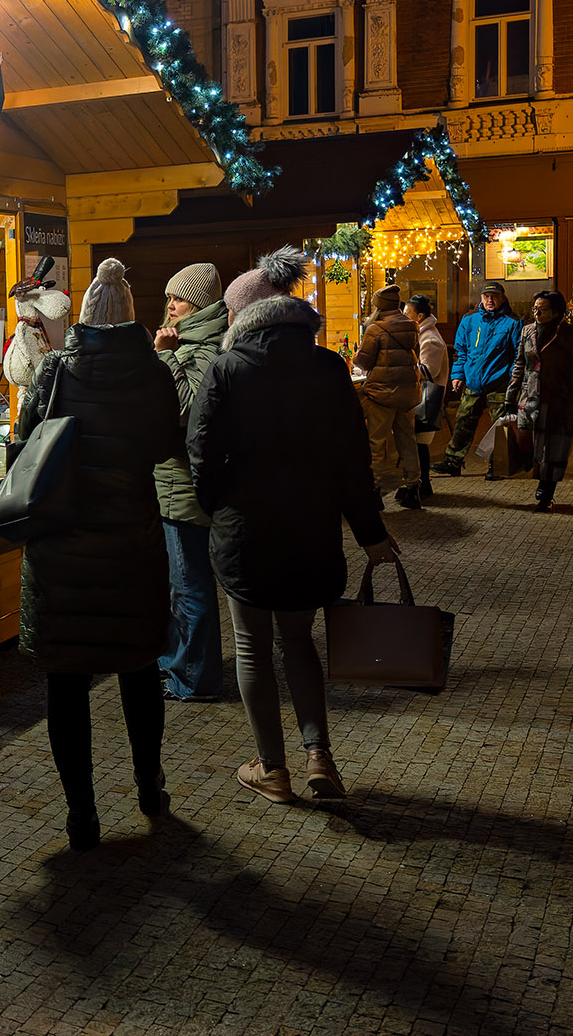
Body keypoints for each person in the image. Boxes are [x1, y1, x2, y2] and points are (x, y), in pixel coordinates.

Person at [188, 247, 395, 805]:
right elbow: (353, 459)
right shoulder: (327, 367)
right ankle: (319, 755)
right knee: (299, 641)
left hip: (245, 530)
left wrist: (215, 508)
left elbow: (201, 452)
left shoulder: (227, 368)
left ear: (244, 314)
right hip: (311, 526)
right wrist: (370, 532)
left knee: (252, 647)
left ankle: (272, 769)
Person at [14, 258, 177, 851]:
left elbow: (24, 446)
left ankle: (80, 813)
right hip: (131, 543)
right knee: (138, 668)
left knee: (66, 679)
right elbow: (166, 446)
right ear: (131, 317)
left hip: (61, 545)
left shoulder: (55, 370)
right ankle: (149, 787)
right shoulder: (154, 374)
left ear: (83, 317)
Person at [151, 261, 226, 703]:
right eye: (169, 297)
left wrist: (163, 355)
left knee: (189, 584)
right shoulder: (189, 339)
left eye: (179, 298)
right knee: (179, 583)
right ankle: (177, 665)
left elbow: (185, 409)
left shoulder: (206, 346)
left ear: (199, 304)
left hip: (184, 485)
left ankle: (195, 680)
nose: (171, 305)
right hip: (173, 482)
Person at [431, 280, 524, 478]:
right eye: (486, 296)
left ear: (502, 298)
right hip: (473, 382)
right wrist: (458, 375)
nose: (490, 300)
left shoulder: (513, 322)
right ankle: (453, 462)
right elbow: (461, 352)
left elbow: (518, 356)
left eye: (494, 296)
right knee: (463, 421)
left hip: (499, 384)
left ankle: (498, 465)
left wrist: (511, 381)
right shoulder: (469, 320)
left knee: (500, 427)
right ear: (481, 298)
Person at [505, 291, 573, 512]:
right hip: (531, 396)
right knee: (530, 442)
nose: (537, 313)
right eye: (535, 308)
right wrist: (511, 394)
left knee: (554, 447)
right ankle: (539, 478)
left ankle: (546, 490)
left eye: (543, 309)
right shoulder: (527, 331)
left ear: (556, 311)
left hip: (560, 397)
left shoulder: (571, 334)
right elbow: (520, 364)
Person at [352, 284, 424, 510]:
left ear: (379, 306)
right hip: (407, 393)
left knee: (376, 443)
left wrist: (355, 357)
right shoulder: (412, 326)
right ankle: (413, 488)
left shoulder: (376, 329)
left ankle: (375, 492)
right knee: (407, 441)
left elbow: (364, 362)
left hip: (382, 394)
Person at [407, 295, 449, 499]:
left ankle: (423, 485)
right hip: (420, 396)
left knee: (419, 443)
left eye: (408, 313)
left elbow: (428, 371)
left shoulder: (430, 338)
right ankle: (421, 485)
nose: (404, 317)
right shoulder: (422, 333)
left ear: (420, 316)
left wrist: (403, 366)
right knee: (417, 443)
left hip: (425, 397)